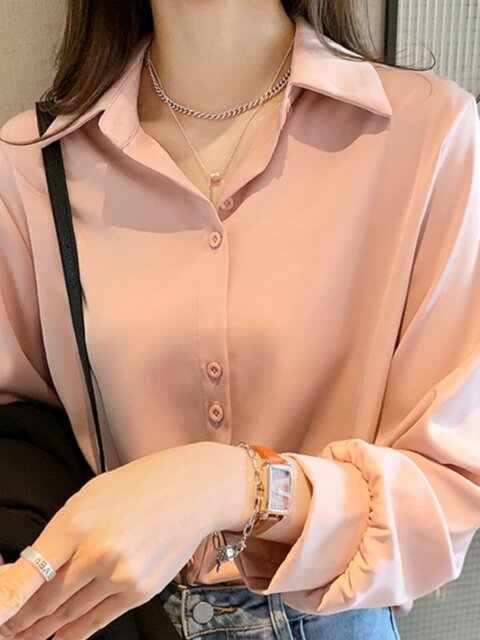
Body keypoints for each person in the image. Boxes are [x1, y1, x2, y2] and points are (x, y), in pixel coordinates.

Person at [0, 0, 479, 638]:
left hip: (334, 617)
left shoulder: (428, 133)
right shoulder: (34, 161)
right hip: (119, 618)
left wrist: (233, 484)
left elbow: (446, 497)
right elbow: (17, 433)